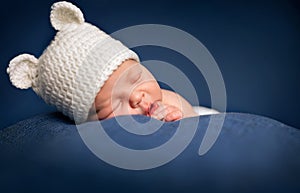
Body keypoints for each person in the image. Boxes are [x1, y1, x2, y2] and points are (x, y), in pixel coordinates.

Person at [7, 1, 217, 124]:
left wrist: (177, 116)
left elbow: (193, 122)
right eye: (115, 104)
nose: (136, 96)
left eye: (136, 77)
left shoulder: (165, 100)